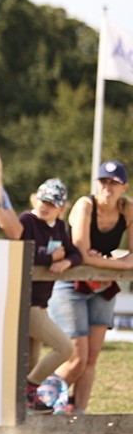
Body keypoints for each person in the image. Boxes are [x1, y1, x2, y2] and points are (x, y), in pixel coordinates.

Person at [47, 160, 133, 414]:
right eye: (103, 182)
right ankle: (38, 400)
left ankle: (79, 415)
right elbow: (82, 254)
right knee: (76, 358)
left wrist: (106, 264)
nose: (107, 187)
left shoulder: (127, 210)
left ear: (124, 186)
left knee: (92, 358)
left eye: (113, 183)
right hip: (71, 284)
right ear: (96, 183)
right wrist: (117, 263)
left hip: (103, 287)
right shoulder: (85, 206)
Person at [18, 179, 81, 413]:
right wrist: (51, 259)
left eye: (51, 203)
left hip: (41, 303)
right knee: (65, 348)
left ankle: (24, 405)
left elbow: (76, 254)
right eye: (42, 201)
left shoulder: (59, 227)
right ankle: (30, 389)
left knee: (30, 362)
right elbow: (23, 253)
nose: (44, 206)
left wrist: (66, 260)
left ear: (61, 208)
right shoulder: (26, 221)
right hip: (27, 302)